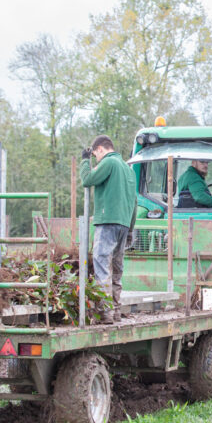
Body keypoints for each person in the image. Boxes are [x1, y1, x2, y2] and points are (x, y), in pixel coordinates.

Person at [80, 135, 137, 322]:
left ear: (100, 149)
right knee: (117, 268)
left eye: (96, 154)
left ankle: (105, 312)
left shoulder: (109, 163)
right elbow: (134, 203)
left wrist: (84, 161)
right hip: (123, 224)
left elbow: (88, 180)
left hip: (107, 221)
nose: (96, 159)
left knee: (102, 266)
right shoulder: (129, 171)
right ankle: (116, 310)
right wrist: (130, 229)